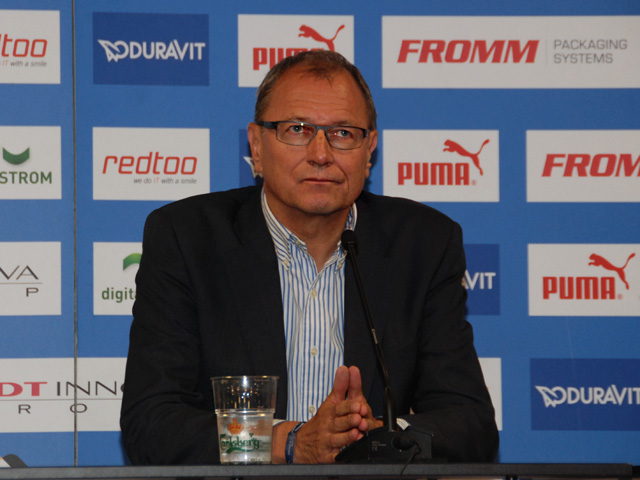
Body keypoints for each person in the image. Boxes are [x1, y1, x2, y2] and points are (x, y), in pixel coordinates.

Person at [120, 50, 499, 465]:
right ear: (256, 146)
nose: (321, 154)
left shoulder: (423, 245)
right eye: (297, 129)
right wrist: (288, 443)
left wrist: (377, 438)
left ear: (369, 149)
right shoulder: (188, 239)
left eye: (343, 133)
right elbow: (150, 424)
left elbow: (471, 426)